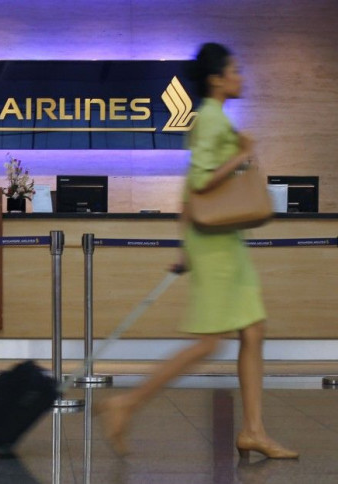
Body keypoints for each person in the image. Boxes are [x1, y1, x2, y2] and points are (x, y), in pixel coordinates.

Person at [94, 43, 298, 459]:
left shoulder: (217, 119)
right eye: (235, 70)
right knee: (209, 343)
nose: (241, 77)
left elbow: (189, 193)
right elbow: (203, 182)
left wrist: (185, 241)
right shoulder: (209, 119)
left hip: (222, 243)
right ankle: (124, 404)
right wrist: (243, 154)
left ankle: (254, 430)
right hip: (218, 249)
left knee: (253, 331)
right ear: (216, 79)